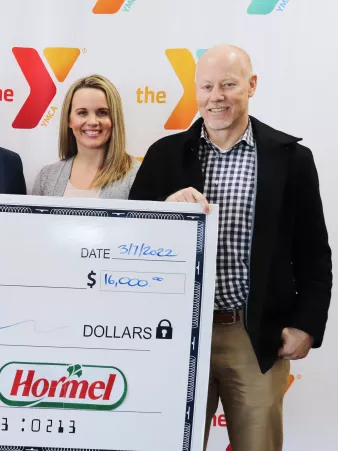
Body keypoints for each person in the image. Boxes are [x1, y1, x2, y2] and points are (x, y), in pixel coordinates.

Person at [129, 45, 331, 451]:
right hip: (178, 334)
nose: (216, 96)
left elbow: (314, 252)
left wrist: (307, 323)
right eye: (207, 86)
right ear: (195, 90)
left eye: (228, 85)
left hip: (255, 335)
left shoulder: (290, 159)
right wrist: (163, 212)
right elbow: (131, 241)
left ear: (251, 86)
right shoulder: (164, 155)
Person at [32, 75, 140, 198]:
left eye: (102, 112)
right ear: (68, 120)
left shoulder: (137, 175)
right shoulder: (46, 177)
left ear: (115, 118)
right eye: (82, 113)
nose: (93, 122)